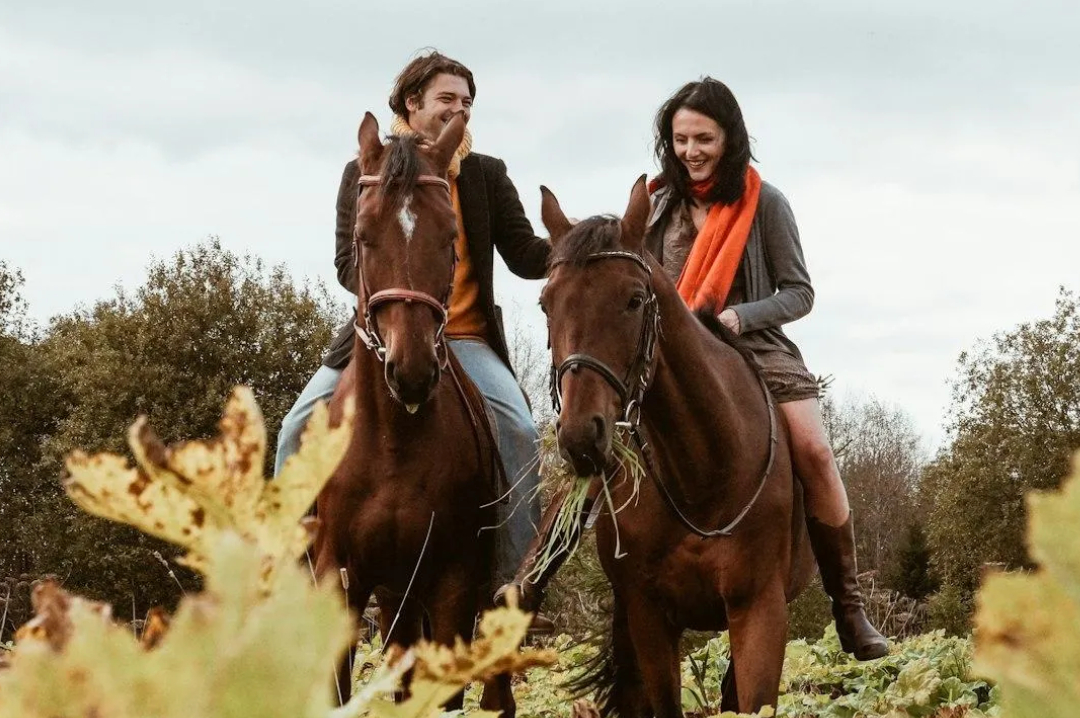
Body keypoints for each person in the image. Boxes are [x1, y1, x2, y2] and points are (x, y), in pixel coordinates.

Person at [502, 77, 887, 660]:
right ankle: (532, 577)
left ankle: (849, 607)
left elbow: (799, 292)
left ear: (729, 138)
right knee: (599, 445)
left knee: (814, 450)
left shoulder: (767, 204)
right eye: (681, 139)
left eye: (703, 138)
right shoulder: (658, 205)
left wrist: (739, 316)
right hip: (669, 350)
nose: (691, 151)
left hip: (756, 347)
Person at [275, 51, 553, 630]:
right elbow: (346, 263)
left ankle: (513, 582)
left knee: (521, 433)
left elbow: (526, 255)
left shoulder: (485, 175)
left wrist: (582, 247)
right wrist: (400, 302)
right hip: (379, 337)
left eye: (467, 103)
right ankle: (286, 573)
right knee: (295, 427)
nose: (459, 111)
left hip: (466, 338)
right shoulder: (363, 170)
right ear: (412, 103)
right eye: (447, 99)